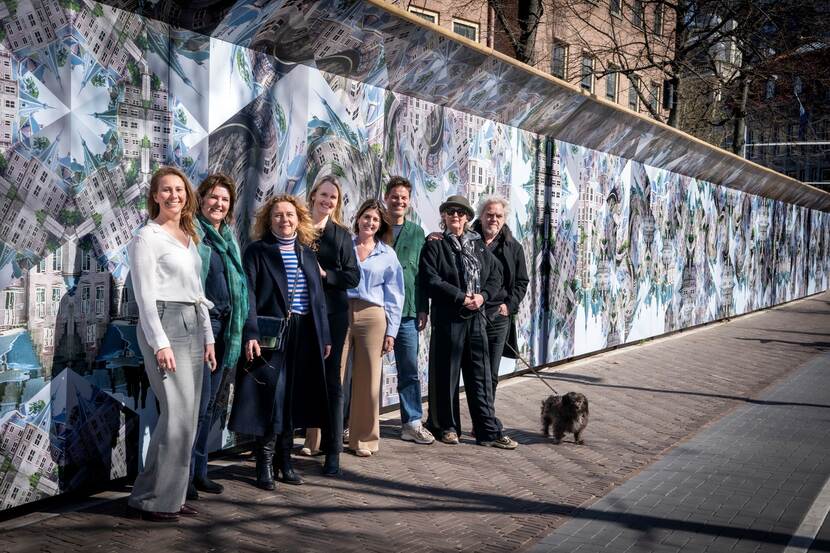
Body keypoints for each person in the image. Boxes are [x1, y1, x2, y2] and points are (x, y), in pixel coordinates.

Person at [127, 167, 217, 522]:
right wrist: (159, 342)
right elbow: (145, 296)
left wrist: (208, 336)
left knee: (189, 418)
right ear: (154, 196)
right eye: (166, 190)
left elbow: (198, 292)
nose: (174, 196)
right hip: (165, 323)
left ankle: (170, 496)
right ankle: (151, 499)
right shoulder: (146, 238)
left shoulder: (187, 236)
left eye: (179, 190)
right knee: (177, 415)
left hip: (193, 323)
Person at [229, 195, 331, 490]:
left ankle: (285, 462)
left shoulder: (306, 254)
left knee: (293, 400)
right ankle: (264, 463)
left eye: (289, 215)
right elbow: (247, 295)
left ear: (299, 219)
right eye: (277, 215)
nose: (284, 220)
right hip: (271, 334)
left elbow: (317, 300)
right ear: (268, 220)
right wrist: (250, 333)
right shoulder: (257, 252)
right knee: (270, 399)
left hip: (304, 332)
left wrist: (324, 336)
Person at [419, 195, 517, 450]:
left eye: (461, 213)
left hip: (476, 319)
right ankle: (446, 427)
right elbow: (431, 279)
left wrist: (482, 297)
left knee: (481, 376)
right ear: (444, 216)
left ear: (467, 218)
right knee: (446, 375)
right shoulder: (435, 244)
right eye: (451, 212)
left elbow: (496, 277)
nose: (456, 216)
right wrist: (461, 297)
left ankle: (488, 430)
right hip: (449, 318)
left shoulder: (477, 245)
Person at [186, 174, 249, 500]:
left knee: (210, 406)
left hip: (228, 331)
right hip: (203, 328)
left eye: (224, 200)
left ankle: (199, 471)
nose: (218, 204)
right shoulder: (195, 235)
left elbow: (241, 287)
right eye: (213, 198)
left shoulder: (228, 239)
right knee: (198, 405)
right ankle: (184, 477)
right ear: (202, 200)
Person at [300, 175, 360, 476]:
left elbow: (353, 277)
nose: (327, 201)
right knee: (300, 379)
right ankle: (285, 449)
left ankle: (333, 450)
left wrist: (326, 275)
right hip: (299, 314)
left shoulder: (341, 236)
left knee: (331, 383)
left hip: (332, 316)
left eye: (333, 198)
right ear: (313, 196)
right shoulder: (297, 227)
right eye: (323, 195)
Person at [344, 199, 404, 457]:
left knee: (369, 381)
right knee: (332, 376)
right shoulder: (344, 245)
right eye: (366, 217)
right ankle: (319, 440)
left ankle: (364, 440)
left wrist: (391, 331)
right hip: (342, 312)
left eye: (375, 220)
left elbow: (395, 294)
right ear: (358, 218)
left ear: (380, 226)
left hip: (373, 316)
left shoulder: (387, 254)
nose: (370, 222)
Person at [384, 176, 434, 444]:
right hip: (376, 311)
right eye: (395, 196)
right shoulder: (376, 227)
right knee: (364, 370)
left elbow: (421, 275)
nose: (399, 201)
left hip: (407, 313)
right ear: (386, 198)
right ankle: (352, 422)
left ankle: (412, 423)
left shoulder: (417, 233)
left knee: (409, 369)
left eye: (404, 197)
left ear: (409, 202)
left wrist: (423, 308)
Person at [471, 197, 529, 416]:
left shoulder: (513, 247)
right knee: (472, 370)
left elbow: (522, 282)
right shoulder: (468, 240)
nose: (493, 219)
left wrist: (509, 305)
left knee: (490, 371)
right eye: (489, 214)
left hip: (498, 316)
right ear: (481, 216)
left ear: (504, 219)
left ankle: (485, 417)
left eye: (498, 216)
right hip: (471, 314)